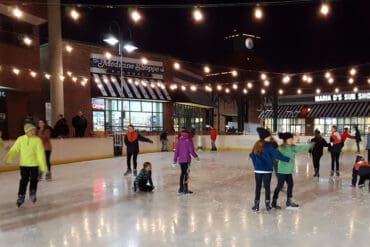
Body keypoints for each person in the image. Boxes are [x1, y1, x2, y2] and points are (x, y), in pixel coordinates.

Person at [5, 124, 47, 207]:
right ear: (26, 131)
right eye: (31, 130)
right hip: (24, 164)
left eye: (34, 130)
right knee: (24, 180)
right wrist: (9, 158)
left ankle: (32, 192)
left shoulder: (37, 140)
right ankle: (21, 195)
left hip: (35, 164)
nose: (33, 132)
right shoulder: (20, 139)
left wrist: (42, 165)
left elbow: (40, 153)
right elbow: (14, 149)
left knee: (34, 179)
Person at [249, 127, 290, 212]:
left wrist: (256, 165)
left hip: (258, 170)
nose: (269, 137)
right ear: (265, 137)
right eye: (268, 136)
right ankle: (267, 206)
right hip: (267, 170)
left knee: (258, 187)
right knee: (267, 187)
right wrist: (287, 159)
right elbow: (277, 156)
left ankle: (256, 206)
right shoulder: (269, 146)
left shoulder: (256, 145)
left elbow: (252, 156)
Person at [271, 132, 313, 209]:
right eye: (289, 139)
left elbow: (301, 148)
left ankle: (289, 201)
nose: (291, 140)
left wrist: (311, 145)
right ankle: (274, 201)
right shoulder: (281, 148)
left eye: (291, 139)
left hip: (289, 171)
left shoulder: (293, 147)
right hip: (282, 171)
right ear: (285, 140)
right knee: (280, 186)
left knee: (290, 185)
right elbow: (276, 157)